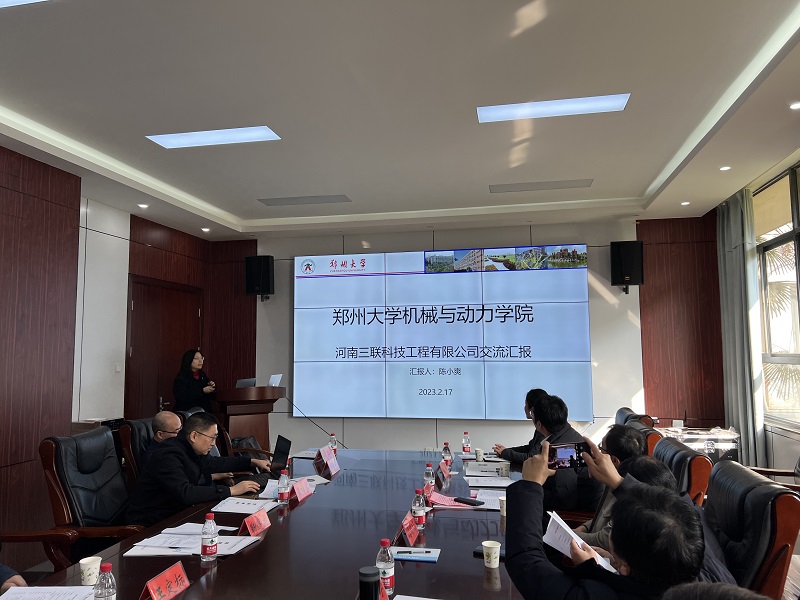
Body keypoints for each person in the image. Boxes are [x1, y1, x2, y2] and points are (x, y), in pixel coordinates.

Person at [505, 438, 705, 599]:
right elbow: (675, 505)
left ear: (625, 566)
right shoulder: (691, 552)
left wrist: (530, 485)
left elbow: (527, 561)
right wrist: (602, 566)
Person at [125, 412, 268, 526]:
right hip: (152, 523)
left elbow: (216, 463)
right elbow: (185, 492)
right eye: (212, 438)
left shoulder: (190, 448)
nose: (213, 443)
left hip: (178, 514)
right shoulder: (167, 455)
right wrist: (231, 491)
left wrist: (252, 461)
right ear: (194, 436)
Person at [496, 393, 600, 511]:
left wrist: (531, 488)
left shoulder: (560, 451)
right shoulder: (567, 434)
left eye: (532, 414)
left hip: (578, 512)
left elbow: (563, 500)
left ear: (539, 424)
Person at [574, 424, 646, 548]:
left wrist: (571, 535)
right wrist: (584, 527)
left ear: (614, 461)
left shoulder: (631, 498)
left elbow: (604, 540)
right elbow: (602, 516)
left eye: (601, 448)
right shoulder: (615, 478)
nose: (597, 453)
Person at [142, 410, 233, 485]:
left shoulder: (181, 446)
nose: (183, 434)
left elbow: (209, 463)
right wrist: (215, 476)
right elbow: (185, 483)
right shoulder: (159, 455)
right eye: (177, 431)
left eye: (181, 429)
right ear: (160, 435)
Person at [492, 388, 549, 463]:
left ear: (532, 409)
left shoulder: (543, 428)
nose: (524, 407)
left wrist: (505, 452)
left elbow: (531, 457)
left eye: (526, 403)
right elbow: (529, 448)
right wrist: (505, 451)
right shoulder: (541, 426)